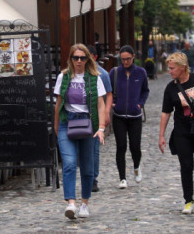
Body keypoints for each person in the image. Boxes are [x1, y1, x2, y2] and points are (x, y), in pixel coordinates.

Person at [158, 52, 194, 214]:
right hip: (182, 130)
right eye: (168, 68)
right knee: (186, 165)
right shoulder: (170, 88)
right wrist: (161, 135)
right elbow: (166, 112)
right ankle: (188, 200)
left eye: (172, 68)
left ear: (183, 68)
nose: (169, 71)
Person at [54, 44, 106, 220]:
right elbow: (58, 103)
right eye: (75, 57)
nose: (79, 61)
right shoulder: (64, 77)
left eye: (82, 58)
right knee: (68, 163)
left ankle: (85, 203)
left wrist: (101, 128)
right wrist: (56, 128)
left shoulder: (94, 78)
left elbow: (101, 104)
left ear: (87, 60)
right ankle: (71, 203)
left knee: (87, 166)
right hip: (67, 122)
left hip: (88, 123)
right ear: (70, 59)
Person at [109, 45, 149, 189]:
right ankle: (122, 178)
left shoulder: (140, 72)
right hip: (119, 115)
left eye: (128, 59)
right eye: (123, 59)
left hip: (135, 115)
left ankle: (136, 166)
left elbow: (145, 91)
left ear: (133, 57)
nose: (125, 62)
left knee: (135, 146)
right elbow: (109, 91)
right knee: (121, 146)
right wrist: (113, 102)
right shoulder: (114, 72)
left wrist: (140, 104)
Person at [86, 45, 112, 193]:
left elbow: (109, 94)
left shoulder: (102, 74)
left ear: (94, 57)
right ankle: (87, 176)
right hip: (82, 116)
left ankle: (93, 178)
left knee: (94, 149)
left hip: (96, 115)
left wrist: (106, 113)